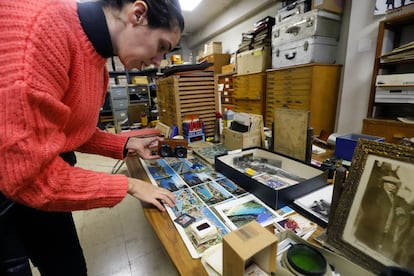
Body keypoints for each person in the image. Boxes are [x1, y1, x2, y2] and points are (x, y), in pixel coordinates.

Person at [0, 0, 184, 275]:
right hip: (12, 180)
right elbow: (28, 176)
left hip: (37, 169)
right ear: (138, 13)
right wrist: (128, 185)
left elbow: (71, 131)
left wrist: (126, 142)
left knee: (69, 266)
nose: (159, 62)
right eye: (162, 47)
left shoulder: (98, 64)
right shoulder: (43, 30)